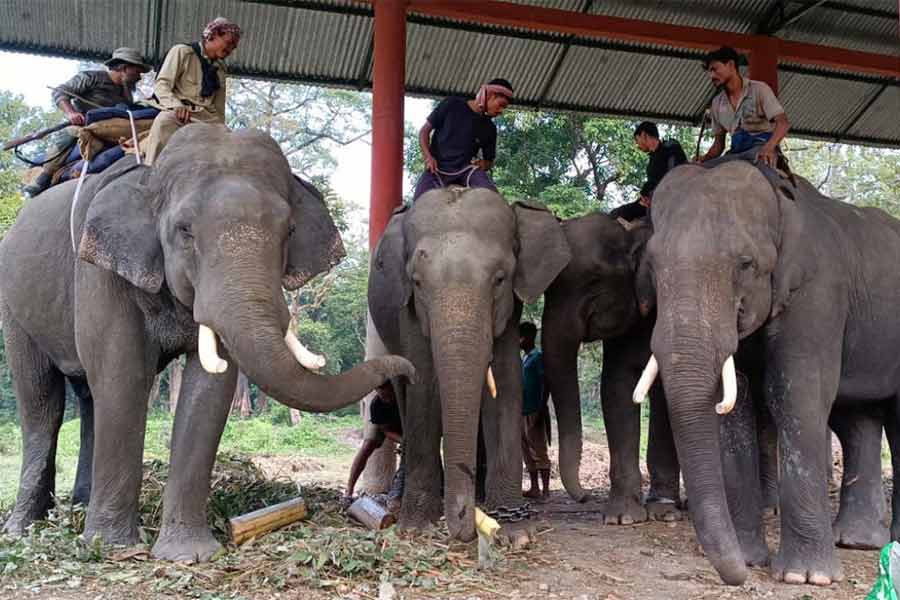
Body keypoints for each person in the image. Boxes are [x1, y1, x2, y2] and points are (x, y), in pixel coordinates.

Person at [24, 47, 151, 196]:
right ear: (124, 68)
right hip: (84, 126)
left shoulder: (127, 94)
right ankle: (44, 176)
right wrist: (72, 113)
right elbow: (60, 92)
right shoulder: (91, 77)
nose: (139, 77)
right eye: (137, 71)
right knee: (70, 133)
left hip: (112, 130)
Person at [143, 17, 241, 165]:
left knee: (231, 144)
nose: (230, 50)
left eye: (234, 47)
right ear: (212, 36)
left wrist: (222, 128)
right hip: (181, 113)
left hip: (207, 119)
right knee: (164, 123)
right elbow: (162, 84)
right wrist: (176, 106)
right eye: (229, 43)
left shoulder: (221, 70)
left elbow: (219, 107)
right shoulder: (182, 52)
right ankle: (150, 171)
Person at [412, 78, 513, 201]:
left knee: (494, 200)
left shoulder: (490, 128)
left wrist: (483, 164)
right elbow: (424, 131)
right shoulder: (451, 104)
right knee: (418, 204)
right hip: (437, 169)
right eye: (501, 105)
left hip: (467, 171)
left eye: (504, 108)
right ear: (489, 95)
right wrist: (428, 157)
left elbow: (488, 161)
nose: (501, 111)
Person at [695, 46, 790, 170]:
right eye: (709, 71)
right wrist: (704, 159)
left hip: (760, 149)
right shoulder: (716, 103)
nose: (711, 75)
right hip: (735, 154)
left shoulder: (759, 89)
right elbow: (718, 146)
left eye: (715, 69)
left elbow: (783, 123)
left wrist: (769, 147)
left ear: (730, 65)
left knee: (768, 179)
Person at [610, 121, 687, 223]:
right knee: (615, 213)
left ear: (644, 135)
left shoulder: (670, 147)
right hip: (652, 198)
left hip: (665, 197)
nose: (637, 145)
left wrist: (649, 194)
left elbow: (673, 173)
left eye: (637, 140)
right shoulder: (653, 157)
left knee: (619, 214)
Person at [345, 382, 404, 510]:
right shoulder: (377, 404)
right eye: (381, 393)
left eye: (388, 393)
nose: (385, 396)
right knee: (368, 445)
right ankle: (349, 490)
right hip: (392, 428)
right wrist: (403, 441)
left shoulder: (405, 397)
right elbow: (385, 430)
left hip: (410, 425)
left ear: (394, 388)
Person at [520, 321, 551, 500]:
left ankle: (545, 490)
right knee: (526, 450)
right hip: (523, 410)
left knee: (538, 449)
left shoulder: (537, 357)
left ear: (528, 337)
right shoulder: (524, 358)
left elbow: (544, 382)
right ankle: (534, 488)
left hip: (534, 409)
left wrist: (541, 406)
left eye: (520, 337)